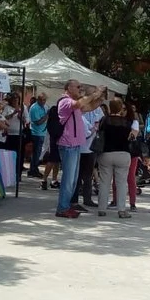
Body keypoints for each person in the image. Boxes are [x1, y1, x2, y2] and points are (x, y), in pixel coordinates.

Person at [55, 80, 106, 218]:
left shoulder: (74, 104)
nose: (80, 89)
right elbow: (80, 103)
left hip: (75, 145)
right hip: (68, 144)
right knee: (68, 178)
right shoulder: (65, 101)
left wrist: (99, 97)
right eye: (78, 87)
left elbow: (90, 107)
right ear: (68, 88)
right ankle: (62, 208)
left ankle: (67, 205)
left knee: (73, 179)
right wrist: (94, 93)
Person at [96, 98, 134, 218]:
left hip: (106, 153)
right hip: (123, 153)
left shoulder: (104, 120)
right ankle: (121, 210)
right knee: (122, 183)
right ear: (120, 108)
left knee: (104, 182)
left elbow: (99, 133)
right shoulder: (127, 122)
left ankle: (102, 208)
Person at [71, 88, 105, 211]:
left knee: (88, 175)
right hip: (80, 147)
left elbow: (101, 122)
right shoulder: (81, 108)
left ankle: (87, 198)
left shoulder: (98, 110)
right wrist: (93, 129)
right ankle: (74, 200)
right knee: (77, 175)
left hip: (91, 147)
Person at [27, 93, 48, 178]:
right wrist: (46, 116)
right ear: (38, 99)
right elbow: (38, 122)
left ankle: (34, 169)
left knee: (37, 153)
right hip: (36, 133)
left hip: (42, 132)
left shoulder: (44, 107)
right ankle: (33, 170)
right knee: (36, 153)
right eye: (42, 100)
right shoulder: (35, 108)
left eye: (45, 100)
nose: (44, 102)